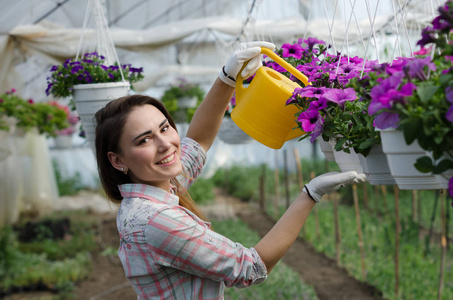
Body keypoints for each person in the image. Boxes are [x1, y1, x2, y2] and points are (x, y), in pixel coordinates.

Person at [94, 41, 366, 299]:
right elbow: (251, 268)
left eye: (164, 128)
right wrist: (310, 194)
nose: (165, 144)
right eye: (144, 140)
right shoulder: (156, 220)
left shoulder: (155, 188)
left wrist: (227, 77)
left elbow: (197, 141)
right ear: (117, 160)